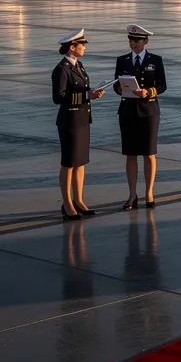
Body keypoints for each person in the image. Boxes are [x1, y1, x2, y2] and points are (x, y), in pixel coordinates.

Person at [113, 24, 167, 210]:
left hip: (148, 111)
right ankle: (132, 195)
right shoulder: (122, 60)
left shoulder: (155, 60)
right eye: (130, 40)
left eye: (136, 40)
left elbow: (162, 86)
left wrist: (148, 92)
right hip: (128, 111)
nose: (132, 43)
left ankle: (149, 192)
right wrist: (121, 88)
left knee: (149, 154)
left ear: (146, 41)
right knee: (130, 154)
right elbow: (116, 84)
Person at [52, 30, 103, 220]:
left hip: (82, 119)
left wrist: (93, 93)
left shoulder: (78, 65)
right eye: (82, 45)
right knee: (69, 163)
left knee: (80, 162)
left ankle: (79, 200)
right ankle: (67, 204)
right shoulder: (62, 69)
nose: (85, 48)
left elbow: (83, 90)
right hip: (70, 121)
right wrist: (86, 96)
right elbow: (58, 97)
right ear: (72, 47)